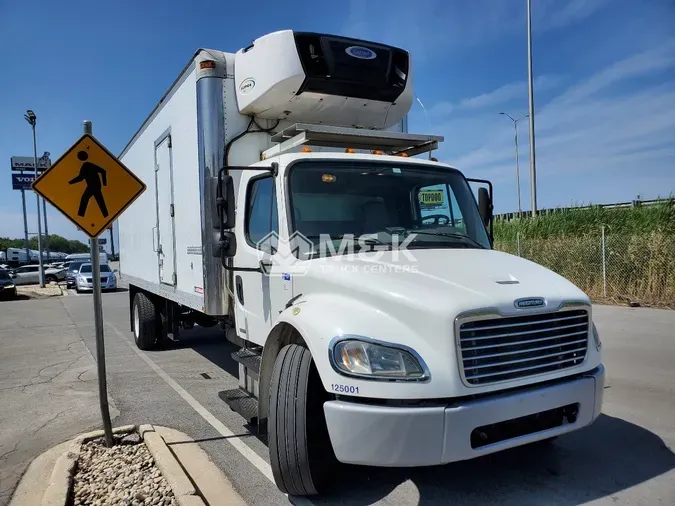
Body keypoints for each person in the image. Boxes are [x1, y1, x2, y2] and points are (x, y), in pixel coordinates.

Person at [68, 151, 108, 218]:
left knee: (85, 198)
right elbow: (103, 171)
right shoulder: (88, 165)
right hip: (96, 186)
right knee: (99, 201)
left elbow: (80, 178)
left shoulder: (86, 166)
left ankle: (80, 216)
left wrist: (70, 183)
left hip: (93, 186)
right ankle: (106, 215)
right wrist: (104, 184)